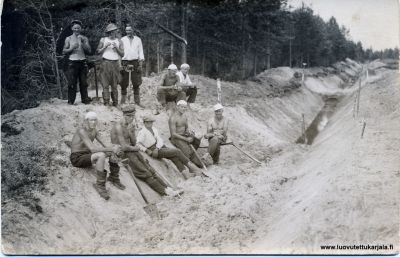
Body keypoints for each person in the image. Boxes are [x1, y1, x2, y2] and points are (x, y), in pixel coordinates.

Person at [110, 105, 182, 196]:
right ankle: (165, 192)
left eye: (133, 116)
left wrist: (132, 132)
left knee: (150, 169)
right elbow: (123, 147)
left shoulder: (129, 125)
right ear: (126, 116)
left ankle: (168, 188)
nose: (133, 119)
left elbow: (133, 142)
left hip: (132, 151)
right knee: (144, 172)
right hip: (122, 153)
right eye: (131, 117)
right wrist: (136, 148)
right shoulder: (118, 127)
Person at [70, 111, 123, 200]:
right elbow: (93, 149)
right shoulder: (82, 130)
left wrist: (115, 148)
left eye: (95, 120)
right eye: (91, 120)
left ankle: (114, 177)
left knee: (112, 152)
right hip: (77, 158)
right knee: (101, 155)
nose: (93, 122)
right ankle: (100, 185)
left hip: (87, 156)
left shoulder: (94, 131)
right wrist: (111, 148)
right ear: (86, 121)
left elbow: (106, 145)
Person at [136, 115, 202, 178]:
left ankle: (185, 174)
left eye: (151, 122)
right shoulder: (142, 132)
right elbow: (138, 144)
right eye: (148, 122)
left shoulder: (154, 129)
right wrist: (146, 150)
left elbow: (159, 139)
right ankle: (193, 168)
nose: (150, 123)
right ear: (144, 123)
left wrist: (157, 147)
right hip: (152, 149)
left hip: (158, 146)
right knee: (177, 151)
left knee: (174, 157)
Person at [62, 20, 92, 105]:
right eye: (75, 28)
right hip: (72, 63)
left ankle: (85, 100)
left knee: (84, 82)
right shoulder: (68, 38)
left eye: (78, 28)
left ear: (81, 29)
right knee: (72, 83)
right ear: (72, 28)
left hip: (83, 62)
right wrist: (71, 48)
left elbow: (89, 50)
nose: (76, 30)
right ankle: (71, 101)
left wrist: (83, 44)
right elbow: (64, 51)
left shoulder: (84, 38)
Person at [168, 100, 203, 168]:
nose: (183, 109)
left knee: (196, 140)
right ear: (177, 107)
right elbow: (173, 134)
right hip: (176, 138)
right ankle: (189, 159)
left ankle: (192, 156)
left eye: (185, 107)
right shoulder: (173, 118)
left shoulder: (184, 116)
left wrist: (189, 133)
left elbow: (186, 128)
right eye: (182, 107)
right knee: (186, 148)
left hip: (184, 135)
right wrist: (186, 139)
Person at [96, 23, 124, 106]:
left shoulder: (119, 41)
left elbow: (122, 54)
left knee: (114, 85)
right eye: (111, 32)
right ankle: (106, 102)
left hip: (115, 64)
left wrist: (116, 48)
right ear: (108, 32)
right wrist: (105, 46)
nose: (113, 33)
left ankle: (115, 102)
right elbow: (98, 51)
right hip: (105, 63)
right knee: (105, 84)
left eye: (114, 31)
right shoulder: (103, 39)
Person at [120, 25, 145, 107]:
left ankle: (137, 101)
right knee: (124, 82)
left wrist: (140, 63)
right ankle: (123, 101)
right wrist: (120, 63)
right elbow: (120, 52)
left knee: (136, 82)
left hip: (135, 62)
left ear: (132, 30)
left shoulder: (138, 40)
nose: (128, 32)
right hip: (125, 62)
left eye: (129, 30)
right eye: (126, 30)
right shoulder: (122, 39)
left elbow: (141, 51)